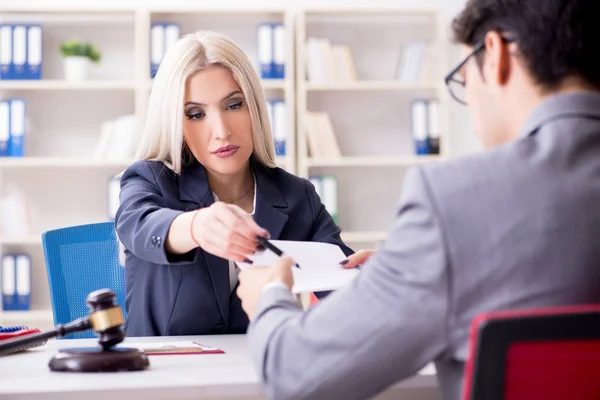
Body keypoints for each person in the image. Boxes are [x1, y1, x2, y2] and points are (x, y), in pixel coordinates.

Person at [236, 0, 600, 399]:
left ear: (494, 54)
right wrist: (408, 267)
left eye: (462, 79)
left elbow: (293, 373)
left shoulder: (455, 204)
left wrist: (269, 297)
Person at [114, 30, 354, 337]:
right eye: (196, 114)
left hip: (254, 375)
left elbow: (347, 297)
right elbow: (140, 224)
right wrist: (197, 227)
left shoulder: (297, 196)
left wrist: (375, 278)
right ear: (174, 123)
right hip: (163, 376)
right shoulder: (150, 179)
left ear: (254, 108)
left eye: (234, 105)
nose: (222, 131)